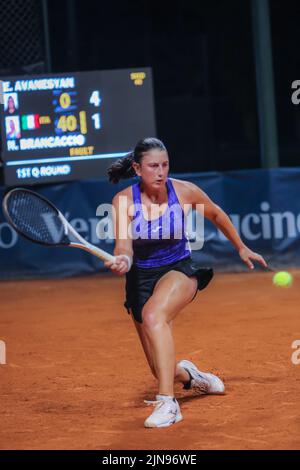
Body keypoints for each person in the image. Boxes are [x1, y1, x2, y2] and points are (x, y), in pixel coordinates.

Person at [105, 137, 267, 428]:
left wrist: (241, 246)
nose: (161, 171)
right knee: (160, 368)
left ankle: (168, 403)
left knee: (155, 316)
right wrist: (123, 261)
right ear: (137, 168)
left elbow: (216, 213)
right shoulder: (124, 201)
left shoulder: (184, 191)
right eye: (153, 166)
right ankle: (194, 377)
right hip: (139, 278)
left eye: (165, 165)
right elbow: (124, 246)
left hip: (178, 269)